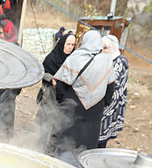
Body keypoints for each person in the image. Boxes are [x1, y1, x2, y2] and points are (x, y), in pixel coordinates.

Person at [47, 30, 115, 159]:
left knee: (67, 143)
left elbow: (61, 85)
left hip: (72, 106)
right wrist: (101, 104)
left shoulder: (75, 57)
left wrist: (63, 102)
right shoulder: (107, 60)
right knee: (86, 146)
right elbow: (110, 88)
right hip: (95, 110)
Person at [35, 33, 76, 151]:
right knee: (46, 125)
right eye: (68, 44)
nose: (70, 47)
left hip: (64, 97)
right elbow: (42, 72)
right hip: (50, 96)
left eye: (73, 45)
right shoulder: (51, 58)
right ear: (62, 44)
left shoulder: (74, 60)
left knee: (59, 126)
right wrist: (51, 78)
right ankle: (40, 148)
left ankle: (51, 150)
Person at [98, 35, 129, 147]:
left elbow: (114, 82)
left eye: (106, 48)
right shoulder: (105, 60)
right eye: (103, 48)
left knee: (103, 133)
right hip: (103, 99)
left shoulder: (120, 61)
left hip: (111, 103)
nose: (104, 51)